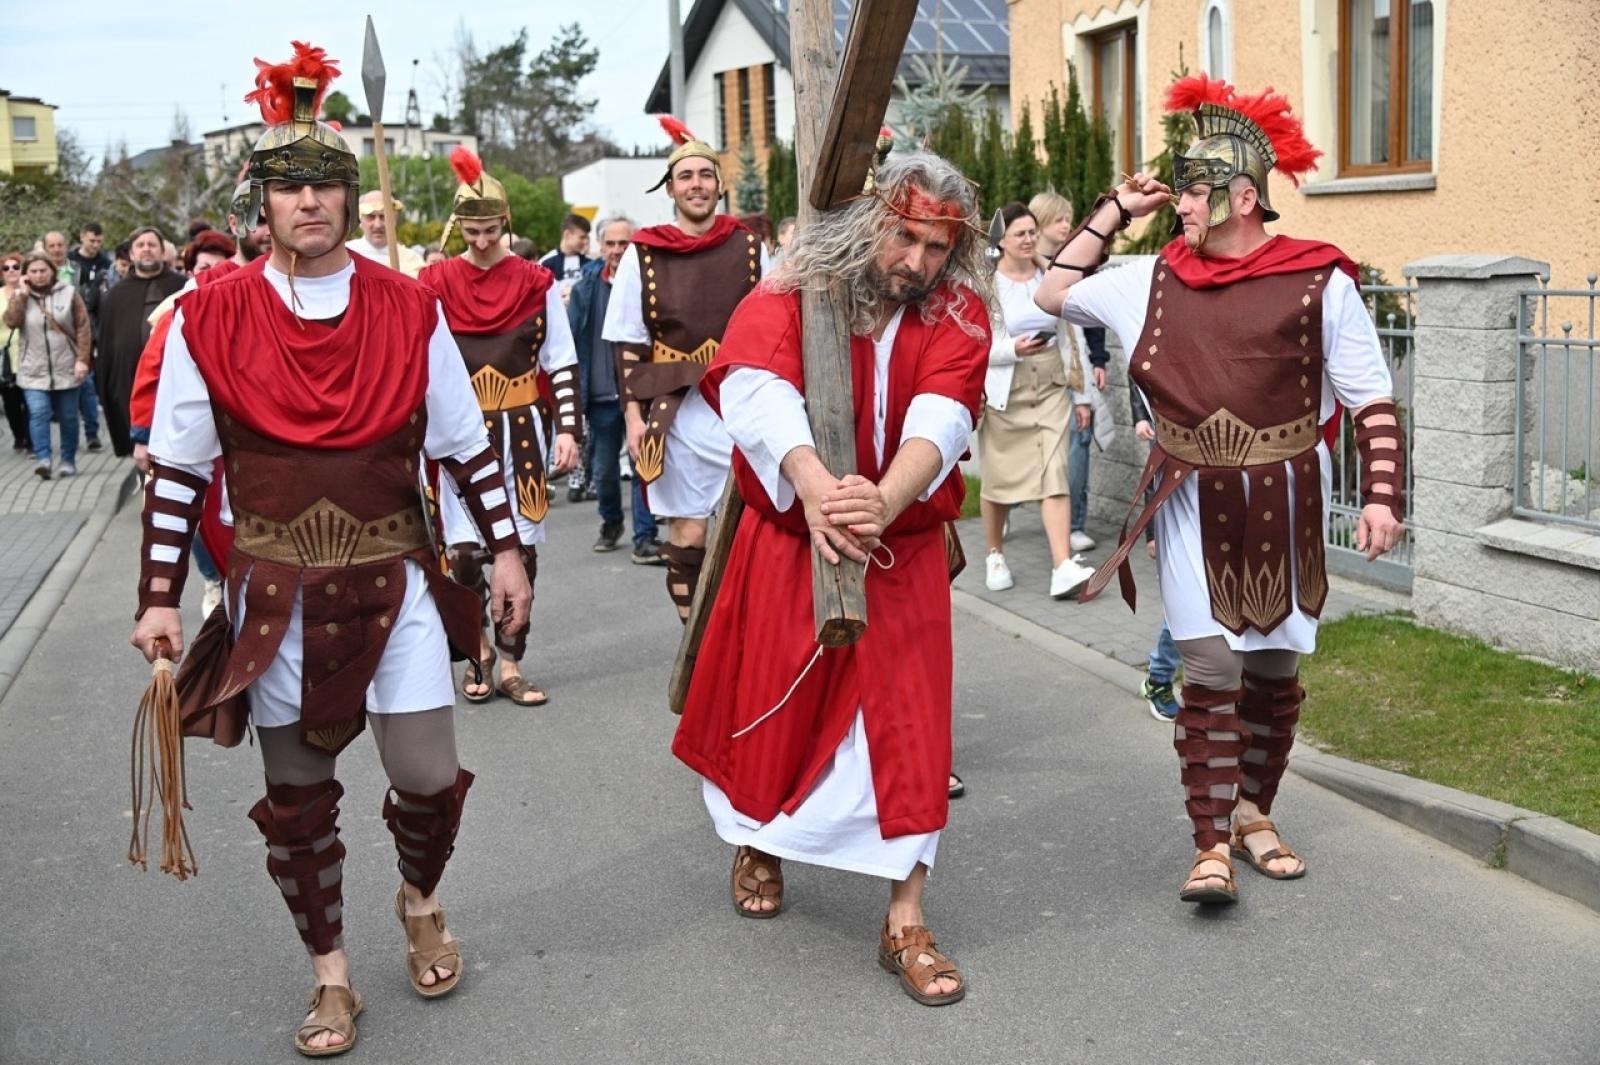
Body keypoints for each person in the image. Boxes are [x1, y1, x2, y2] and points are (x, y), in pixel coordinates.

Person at [128, 43, 531, 1056]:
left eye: (326, 185)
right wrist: (159, 594)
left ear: (350, 198)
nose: (310, 201)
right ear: (261, 204)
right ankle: (331, 974)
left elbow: (462, 444)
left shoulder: (409, 307)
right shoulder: (206, 316)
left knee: (427, 773)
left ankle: (420, 900)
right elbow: (177, 471)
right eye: (289, 186)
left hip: (397, 578)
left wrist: (507, 551)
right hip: (276, 591)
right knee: (299, 794)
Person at [1035, 75, 1407, 905]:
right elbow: (1050, 293)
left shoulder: (1319, 281)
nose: (1181, 207)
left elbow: (1371, 397)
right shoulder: (1148, 278)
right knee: (1208, 664)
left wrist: (1383, 495)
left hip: (1287, 496)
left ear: (1243, 197)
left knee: (1273, 668)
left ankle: (1252, 813)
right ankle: (1208, 842)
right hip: (1190, 498)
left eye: (1194, 192)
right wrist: (1113, 212)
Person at [673, 149, 989, 1007]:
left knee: (912, 729)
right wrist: (815, 486)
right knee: (777, 714)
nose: (917, 262)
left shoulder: (956, 310)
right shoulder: (795, 287)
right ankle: (761, 840)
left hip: (899, 550)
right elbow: (754, 388)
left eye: (936, 246)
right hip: (791, 542)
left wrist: (879, 502)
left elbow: (944, 416)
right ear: (869, 223)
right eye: (904, 237)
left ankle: (905, 919)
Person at [420, 147, 581, 708]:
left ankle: (511, 659)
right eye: (472, 231)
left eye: (491, 230)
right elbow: (417, 361)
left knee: (522, 553)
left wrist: (568, 429)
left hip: (522, 432)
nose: (483, 240)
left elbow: (561, 360)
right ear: (458, 227)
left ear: (504, 223)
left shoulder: (536, 281)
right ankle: (479, 650)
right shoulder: (434, 281)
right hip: (458, 434)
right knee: (464, 555)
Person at [602, 116, 769, 622]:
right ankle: (697, 640)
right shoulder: (643, 253)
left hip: (742, 403)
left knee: (751, 529)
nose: (696, 184)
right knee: (689, 533)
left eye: (705, 175)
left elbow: (778, 326)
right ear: (671, 188)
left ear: (719, 185)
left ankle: (744, 633)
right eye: (686, 176)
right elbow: (628, 343)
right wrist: (633, 418)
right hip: (674, 412)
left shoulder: (751, 246)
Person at [977, 201, 1096, 600]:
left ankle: (1061, 566)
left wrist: (1083, 397)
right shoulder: (986, 286)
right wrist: (1011, 349)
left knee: (1055, 472)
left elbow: (1072, 337)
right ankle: (995, 554)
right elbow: (974, 343)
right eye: (1020, 234)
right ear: (1002, 240)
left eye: (1032, 232)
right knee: (997, 480)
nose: (1028, 239)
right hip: (1005, 391)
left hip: (1050, 386)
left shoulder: (1051, 276)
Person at [567, 214, 664, 561]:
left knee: (643, 465)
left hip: (642, 392)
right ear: (600, 246)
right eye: (610, 243)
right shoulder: (584, 289)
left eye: (625, 243)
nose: (618, 250)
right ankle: (611, 521)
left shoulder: (651, 284)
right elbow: (571, 342)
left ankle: (645, 536)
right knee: (605, 471)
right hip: (602, 395)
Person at [1030, 190, 1110, 552]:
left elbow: (1092, 313)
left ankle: (1075, 524)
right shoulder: (1024, 266)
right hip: (1035, 371)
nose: (1066, 225)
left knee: (1079, 443)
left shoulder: (1077, 262)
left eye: (1068, 219)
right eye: (1059, 219)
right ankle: (1022, 511)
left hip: (1074, 369)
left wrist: (1099, 359)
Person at [96, 226, 183, 455]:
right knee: (140, 450)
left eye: (152, 244)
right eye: (140, 245)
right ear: (132, 254)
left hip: (174, 381)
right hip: (128, 383)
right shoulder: (116, 295)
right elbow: (106, 346)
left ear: (162, 252)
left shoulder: (181, 287)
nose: (146, 249)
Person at [3, 253, 91, 478]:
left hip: (67, 366)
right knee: (39, 413)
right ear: (26, 274)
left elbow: (82, 327)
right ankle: (44, 458)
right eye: (33, 271)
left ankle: (68, 460)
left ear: (52, 271)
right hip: (33, 369)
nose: (39, 275)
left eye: (43, 270)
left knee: (68, 417)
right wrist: (22, 294)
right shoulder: (21, 295)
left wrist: (82, 359)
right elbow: (11, 321)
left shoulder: (69, 293)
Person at [1129, 385, 1182, 721]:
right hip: (1179, 522)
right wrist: (1153, 535)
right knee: (1185, 603)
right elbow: (1155, 479)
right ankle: (1159, 678)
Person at [68, 222, 113, 452]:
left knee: (88, 384)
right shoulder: (70, 262)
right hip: (70, 327)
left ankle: (92, 433)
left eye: (98, 241)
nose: (95, 245)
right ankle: (74, 435)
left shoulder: (106, 264)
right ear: (82, 237)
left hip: (95, 329)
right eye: (91, 240)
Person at [345, 190, 425, 277]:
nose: (378, 225)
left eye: (383, 216)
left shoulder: (412, 260)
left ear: (394, 220)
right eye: (371, 217)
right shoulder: (345, 256)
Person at [1, 252, 33, 454]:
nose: (11, 271)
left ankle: (31, 440)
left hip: (28, 354)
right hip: (5, 357)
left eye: (16, 267)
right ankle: (19, 436)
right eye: (6, 268)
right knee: (11, 403)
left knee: (31, 401)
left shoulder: (30, 293)